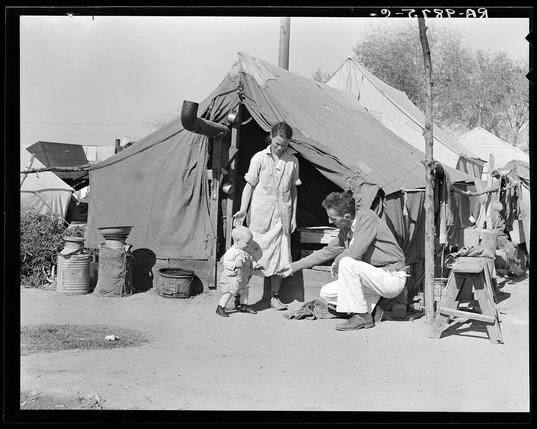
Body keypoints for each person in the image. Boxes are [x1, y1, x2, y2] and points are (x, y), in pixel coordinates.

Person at [278, 191, 408, 331]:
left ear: (346, 217)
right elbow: (326, 252)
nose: (329, 222)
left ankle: (362, 316)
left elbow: (355, 252)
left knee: (347, 262)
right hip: (374, 279)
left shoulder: (367, 218)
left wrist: (338, 261)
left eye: (332, 218)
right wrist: (294, 266)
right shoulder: (346, 229)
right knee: (327, 293)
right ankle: (376, 309)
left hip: (391, 277)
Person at [232, 122, 301, 311]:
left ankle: (274, 297)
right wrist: (243, 209)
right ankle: (240, 296)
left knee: (279, 257)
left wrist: (293, 216)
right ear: (271, 137)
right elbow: (249, 185)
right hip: (260, 215)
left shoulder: (292, 161)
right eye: (277, 143)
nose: (280, 148)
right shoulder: (259, 158)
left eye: (284, 145)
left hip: (282, 217)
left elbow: (293, 190)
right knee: (251, 257)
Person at [216, 226, 263, 317]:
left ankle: (242, 305)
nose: (249, 245)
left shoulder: (246, 252)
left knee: (244, 291)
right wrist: (234, 265)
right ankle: (220, 307)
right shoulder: (231, 252)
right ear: (237, 241)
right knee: (229, 292)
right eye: (247, 243)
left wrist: (255, 265)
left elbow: (251, 260)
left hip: (243, 277)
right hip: (232, 278)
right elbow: (226, 263)